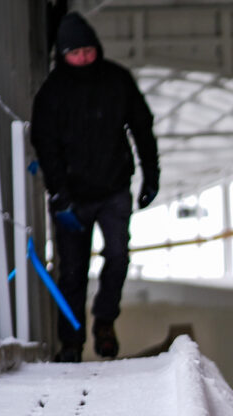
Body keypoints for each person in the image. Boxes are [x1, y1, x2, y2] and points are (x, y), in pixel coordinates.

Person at [31, 11, 160, 363]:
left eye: (89, 51)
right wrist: (58, 192)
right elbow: (45, 144)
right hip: (71, 196)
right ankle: (70, 343)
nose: (84, 58)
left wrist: (151, 175)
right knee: (72, 271)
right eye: (76, 53)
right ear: (63, 55)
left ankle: (105, 322)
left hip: (114, 188)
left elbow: (142, 127)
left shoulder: (117, 80)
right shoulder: (52, 93)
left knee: (118, 256)